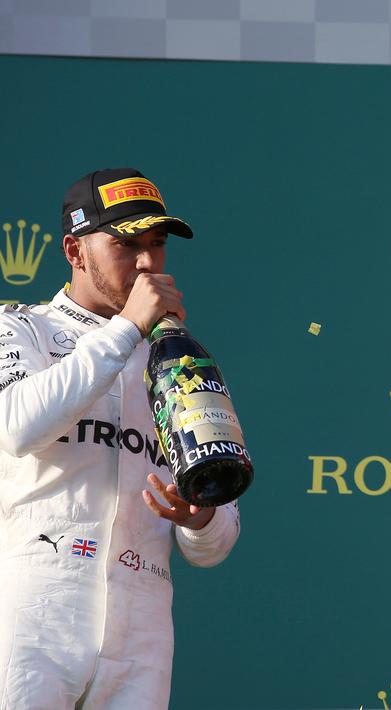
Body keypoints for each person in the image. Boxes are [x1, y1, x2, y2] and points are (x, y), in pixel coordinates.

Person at [0, 168, 241, 709]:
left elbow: (217, 541)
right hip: (30, 613)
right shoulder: (22, 329)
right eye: (125, 244)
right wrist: (127, 329)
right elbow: (14, 427)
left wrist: (197, 514)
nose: (147, 263)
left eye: (156, 245)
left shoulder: (177, 363)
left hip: (142, 627)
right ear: (74, 250)